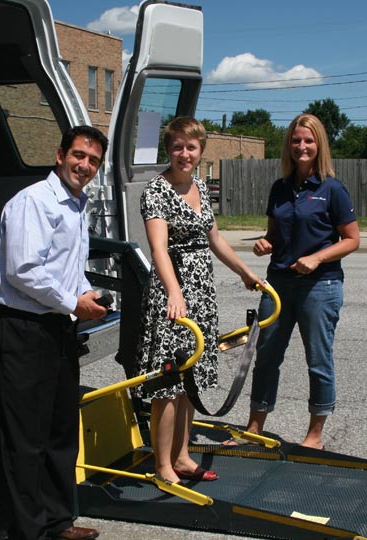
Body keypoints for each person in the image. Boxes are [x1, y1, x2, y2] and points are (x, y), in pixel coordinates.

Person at [0, 126, 109, 540]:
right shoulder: (34, 202)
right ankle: (29, 532)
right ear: (60, 155)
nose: (85, 166)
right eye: (78, 156)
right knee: (26, 438)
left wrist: (83, 293)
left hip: (57, 325)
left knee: (59, 432)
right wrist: (74, 303)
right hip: (22, 327)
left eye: (93, 160)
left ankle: (59, 522)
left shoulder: (76, 204)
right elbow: (23, 271)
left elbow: (67, 267)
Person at [133, 116, 263, 485]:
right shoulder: (156, 191)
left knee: (190, 381)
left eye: (191, 147)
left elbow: (215, 239)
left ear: (200, 150)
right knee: (168, 386)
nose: (184, 154)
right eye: (177, 146)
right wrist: (174, 292)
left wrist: (244, 272)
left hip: (201, 293)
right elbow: (158, 248)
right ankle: (161, 466)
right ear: (168, 150)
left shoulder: (201, 187)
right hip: (172, 295)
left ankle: (183, 456)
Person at [225, 113, 360, 450]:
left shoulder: (332, 188)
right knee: (267, 356)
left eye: (309, 140)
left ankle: (314, 436)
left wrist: (317, 257)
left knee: (319, 359)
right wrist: (264, 243)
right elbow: (274, 234)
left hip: (320, 286)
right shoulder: (280, 188)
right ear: (289, 144)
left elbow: (352, 239)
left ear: (319, 145)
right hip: (278, 284)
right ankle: (255, 427)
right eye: (297, 140)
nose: (302, 146)